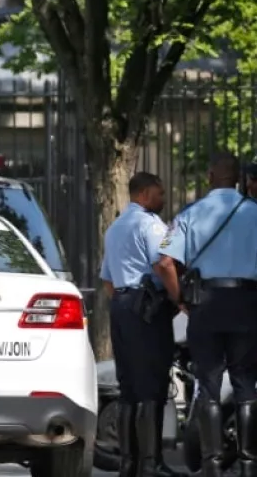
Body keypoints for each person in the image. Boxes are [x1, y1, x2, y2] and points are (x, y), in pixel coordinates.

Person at [155, 152, 257, 477]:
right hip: (247, 304)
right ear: (238, 178)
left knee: (208, 385)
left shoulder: (191, 214)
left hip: (207, 304)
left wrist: (180, 298)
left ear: (210, 176)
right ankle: (248, 465)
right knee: (245, 384)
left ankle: (211, 465)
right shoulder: (255, 212)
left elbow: (164, 262)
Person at [101, 172, 180, 477]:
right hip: (147, 309)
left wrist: (126, 301)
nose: (163, 199)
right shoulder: (151, 225)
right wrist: (178, 297)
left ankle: (128, 463)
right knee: (152, 387)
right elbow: (164, 263)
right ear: (145, 194)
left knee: (129, 388)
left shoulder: (115, 227)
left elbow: (107, 279)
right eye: (159, 193)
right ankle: (151, 464)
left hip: (121, 305)